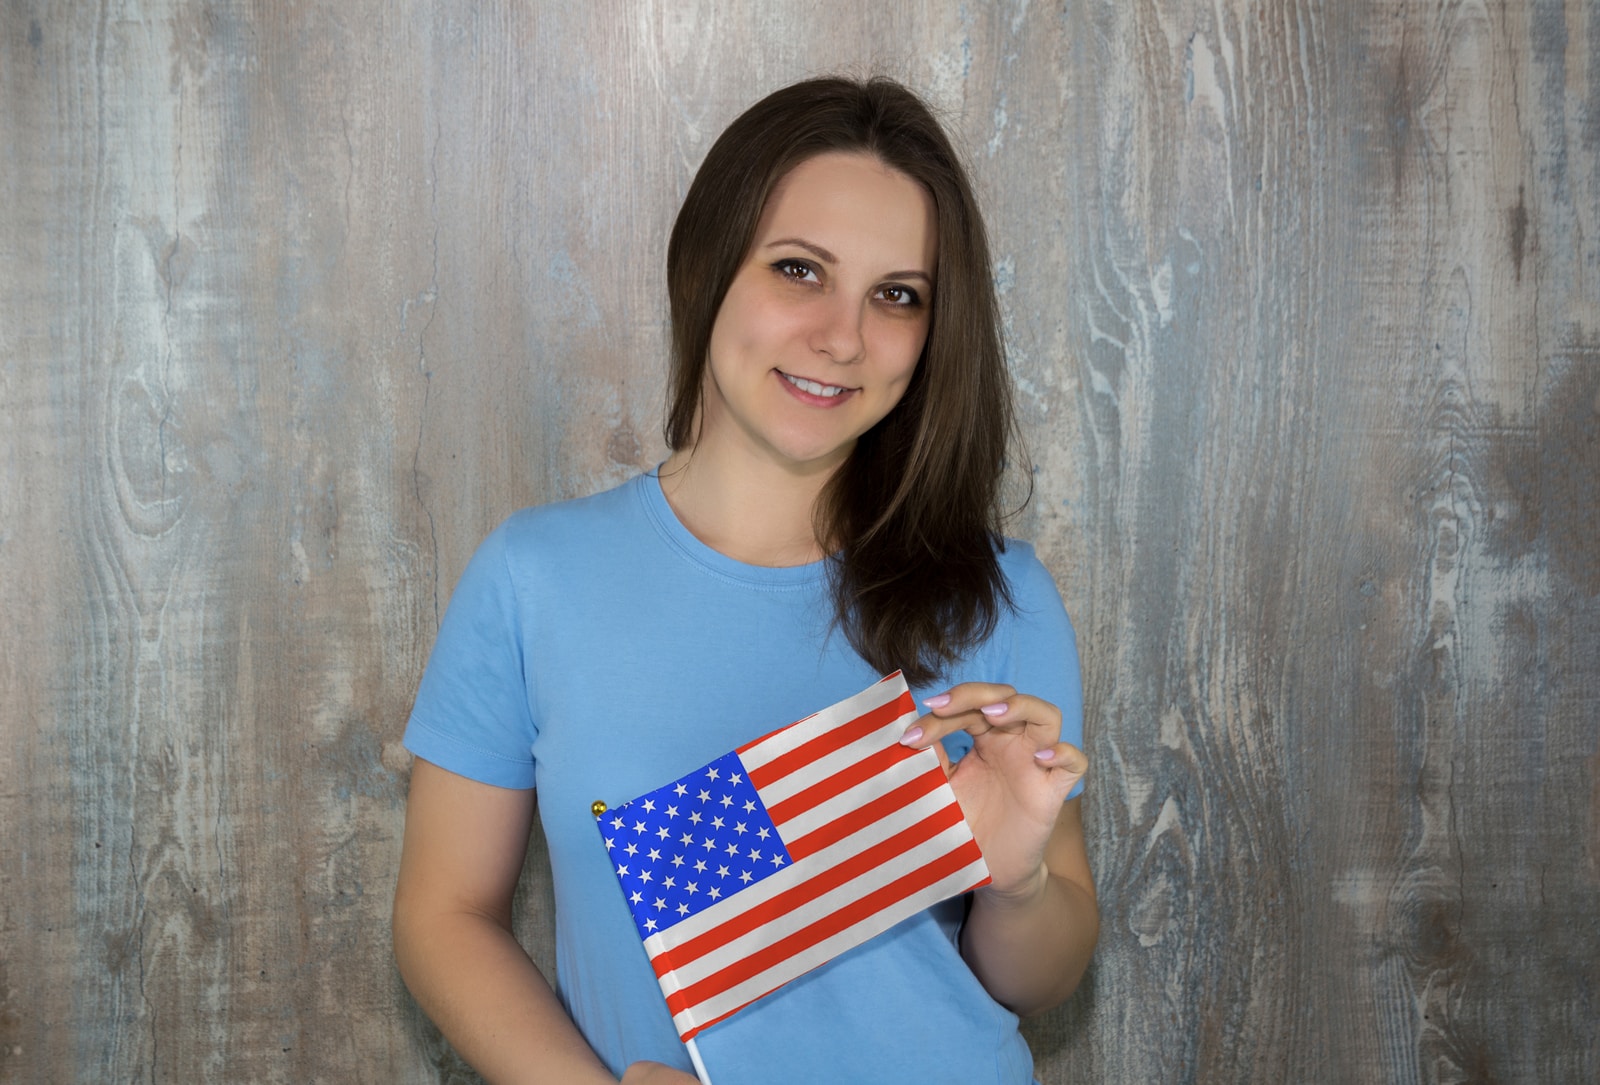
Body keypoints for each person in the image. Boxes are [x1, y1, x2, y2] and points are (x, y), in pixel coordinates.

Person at [392, 75, 1098, 1085]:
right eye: (800, 270)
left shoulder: (999, 595)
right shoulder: (534, 576)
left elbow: (1041, 977)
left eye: (896, 294)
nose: (844, 336)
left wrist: (1017, 879)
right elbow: (442, 912)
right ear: (706, 267)